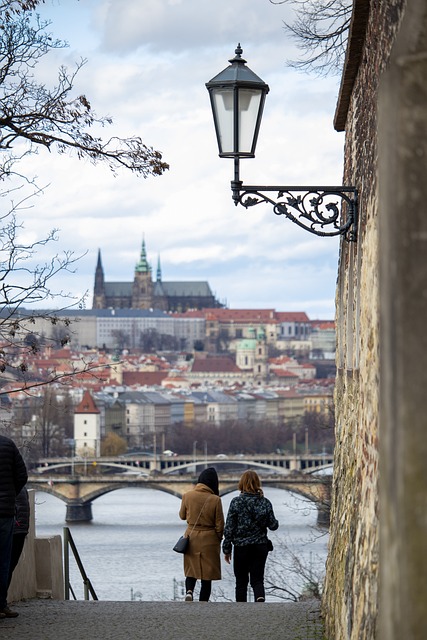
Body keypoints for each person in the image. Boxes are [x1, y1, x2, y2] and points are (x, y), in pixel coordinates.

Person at [222, 470, 279, 602]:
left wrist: (226, 549)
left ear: (241, 484)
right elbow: (273, 526)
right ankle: (259, 598)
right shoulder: (265, 502)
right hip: (260, 545)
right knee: (258, 579)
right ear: (257, 483)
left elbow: (229, 528)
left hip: (241, 546)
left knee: (241, 581)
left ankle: (241, 608)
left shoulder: (236, 502)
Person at [179, 467, 224, 602]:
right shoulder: (215, 499)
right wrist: (218, 539)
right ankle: (203, 602)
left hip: (191, 536)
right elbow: (220, 524)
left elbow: (182, 516)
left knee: (191, 570)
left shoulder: (187, 496)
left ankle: (189, 592)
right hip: (209, 538)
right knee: (207, 575)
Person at [0, 435, 28, 619]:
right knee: (3, 561)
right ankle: (1, 604)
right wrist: (10, 496)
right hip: (4, 513)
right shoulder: (8, 444)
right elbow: (22, 476)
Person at [7, 487, 30, 589]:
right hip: (21, 529)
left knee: (7, 565)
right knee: (10, 565)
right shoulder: (22, 488)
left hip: (14, 529)